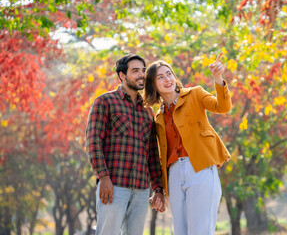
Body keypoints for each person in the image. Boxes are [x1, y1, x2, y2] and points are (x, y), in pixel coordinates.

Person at [144, 52, 232, 235]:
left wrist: (218, 78)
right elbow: (161, 153)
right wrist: (159, 187)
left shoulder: (195, 94)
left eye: (169, 74)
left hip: (200, 168)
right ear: (153, 85)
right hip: (174, 174)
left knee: (200, 230)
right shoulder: (158, 117)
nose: (167, 79)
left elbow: (222, 107)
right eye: (160, 77)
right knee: (181, 231)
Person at [85, 54, 165, 235]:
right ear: (122, 75)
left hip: (141, 189)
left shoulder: (148, 111)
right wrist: (103, 178)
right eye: (135, 71)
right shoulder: (105, 102)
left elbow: (152, 153)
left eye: (143, 71)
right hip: (114, 185)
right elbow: (93, 142)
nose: (141, 75)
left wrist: (158, 188)